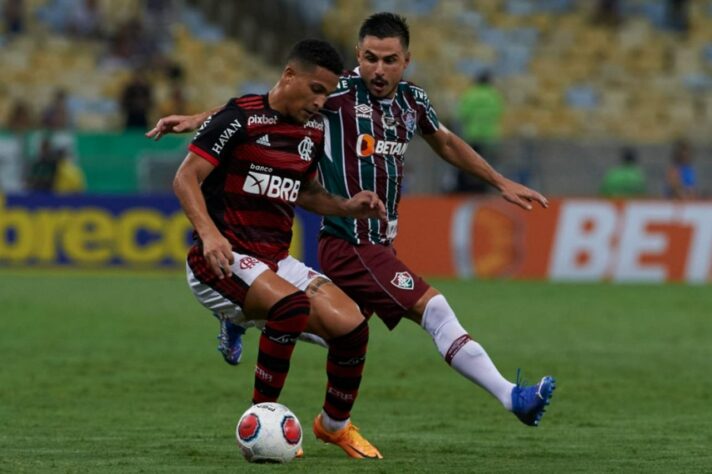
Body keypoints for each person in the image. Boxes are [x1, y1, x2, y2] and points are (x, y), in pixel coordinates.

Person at [148, 13, 556, 429]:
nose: (379, 70)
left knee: (341, 330)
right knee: (434, 310)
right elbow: (269, 103)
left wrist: (499, 180)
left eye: (390, 60)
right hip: (350, 242)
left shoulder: (414, 102)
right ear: (358, 55)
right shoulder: (336, 92)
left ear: (407, 60)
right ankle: (512, 397)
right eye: (371, 58)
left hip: (380, 237)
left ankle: (252, 327)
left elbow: (446, 143)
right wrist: (199, 119)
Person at [172, 39, 385, 459]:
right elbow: (185, 178)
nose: (320, 102)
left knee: (354, 327)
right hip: (221, 257)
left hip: (273, 259)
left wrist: (346, 207)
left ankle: (335, 426)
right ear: (289, 76)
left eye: (328, 93)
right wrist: (211, 235)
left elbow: (303, 192)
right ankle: (260, 423)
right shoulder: (239, 119)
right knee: (288, 308)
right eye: (316, 90)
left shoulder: (312, 129)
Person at [454, 71, 505, 193]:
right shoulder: (494, 95)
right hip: (489, 136)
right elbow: (499, 113)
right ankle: (486, 190)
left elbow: (462, 114)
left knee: (468, 165)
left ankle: (465, 189)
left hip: (472, 135)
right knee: (488, 167)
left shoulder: (470, 94)